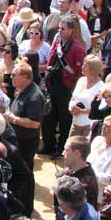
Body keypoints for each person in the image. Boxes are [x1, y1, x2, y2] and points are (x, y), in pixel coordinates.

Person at [5, 62, 45, 216]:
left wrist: (13, 119)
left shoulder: (34, 97)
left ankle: (25, 209)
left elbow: (35, 123)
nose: (11, 77)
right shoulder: (23, 90)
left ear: (25, 77)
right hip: (18, 140)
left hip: (26, 142)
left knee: (25, 176)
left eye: (14, 75)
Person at [42, 15, 85, 157]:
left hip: (66, 87)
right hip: (53, 83)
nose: (60, 31)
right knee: (49, 117)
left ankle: (60, 149)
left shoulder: (78, 48)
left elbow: (79, 72)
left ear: (71, 30)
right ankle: (48, 146)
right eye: (59, 28)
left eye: (63, 29)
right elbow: (51, 60)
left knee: (64, 119)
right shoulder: (57, 43)